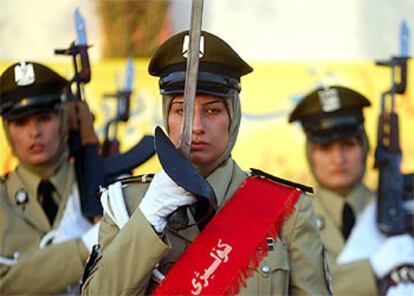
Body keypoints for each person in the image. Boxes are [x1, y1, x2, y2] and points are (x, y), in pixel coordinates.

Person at [81, 30, 331, 295]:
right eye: (181, 110)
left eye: (213, 110)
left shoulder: (286, 211)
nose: (196, 126)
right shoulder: (128, 206)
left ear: (232, 118)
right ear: (167, 117)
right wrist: (148, 220)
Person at [288, 85, 414, 296]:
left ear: (365, 148)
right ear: (310, 154)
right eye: (326, 148)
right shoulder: (289, 222)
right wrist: (371, 270)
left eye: (348, 144)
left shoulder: (403, 214)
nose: (339, 159)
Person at [0, 61, 100, 295]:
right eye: (21, 122)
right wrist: (85, 247)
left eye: (44, 118)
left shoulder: (103, 187)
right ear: (7, 129)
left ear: (63, 120)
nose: (34, 132)